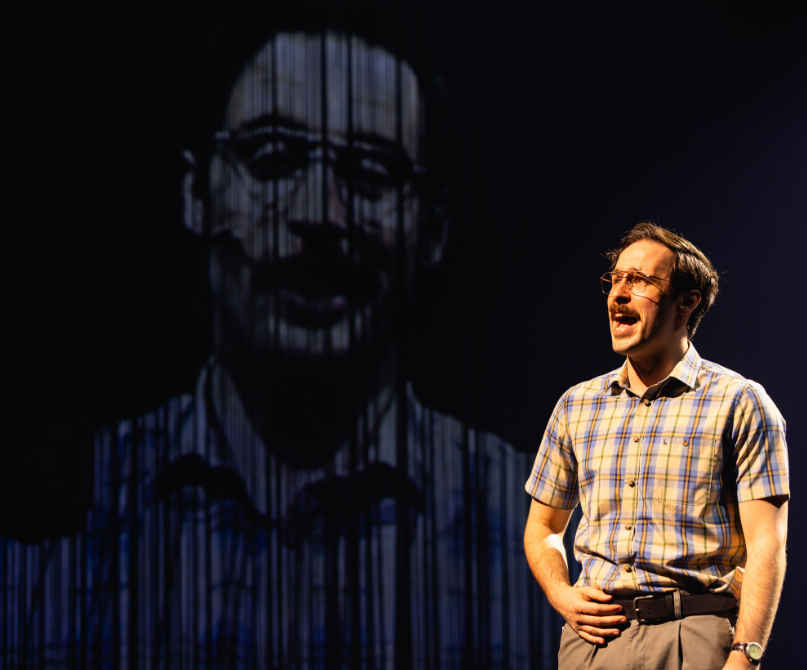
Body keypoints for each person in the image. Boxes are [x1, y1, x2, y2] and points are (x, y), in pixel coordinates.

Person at [3, 4, 544, 668]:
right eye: (272, 157)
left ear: (431, 230)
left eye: (371, 172)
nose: (319, 213)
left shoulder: (543, 538)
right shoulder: (44, 533)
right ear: (197, 193)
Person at [524, 222, 790, 669]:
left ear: (687, 302)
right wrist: (560, 592)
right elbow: (543, 526)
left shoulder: (739, 401)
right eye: (615, 280)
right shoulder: (576, 405)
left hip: (695, 634)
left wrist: (745, 657)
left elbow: (767, 543)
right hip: (594, 643)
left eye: (640, 280)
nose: (618, 294)